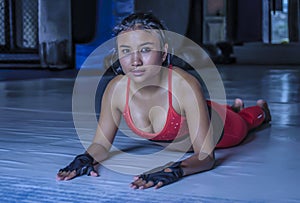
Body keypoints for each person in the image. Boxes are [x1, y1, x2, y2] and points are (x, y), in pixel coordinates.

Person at [56, 12, 271, 189]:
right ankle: (232, 106)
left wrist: (175, 170)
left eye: (146, 50)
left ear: (164, 52)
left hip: (224, 129)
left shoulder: (184, 84)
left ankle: (257, 111)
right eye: (126, 51)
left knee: (246, 121)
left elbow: (205, 156)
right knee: (205, 108)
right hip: (193, 115)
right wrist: (85, 158)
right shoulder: (116, 89)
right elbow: (101, 144)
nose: (135, 61)